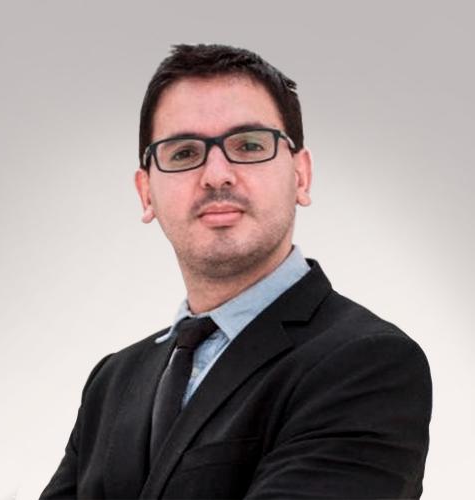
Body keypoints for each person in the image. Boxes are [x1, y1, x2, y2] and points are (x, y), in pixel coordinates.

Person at [40, 44, 432, 500]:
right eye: (183, 153)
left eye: (248, 145)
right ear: (146, 193)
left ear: (301, 176)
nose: (216, 174)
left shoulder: (367, 363)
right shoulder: (112, 381)